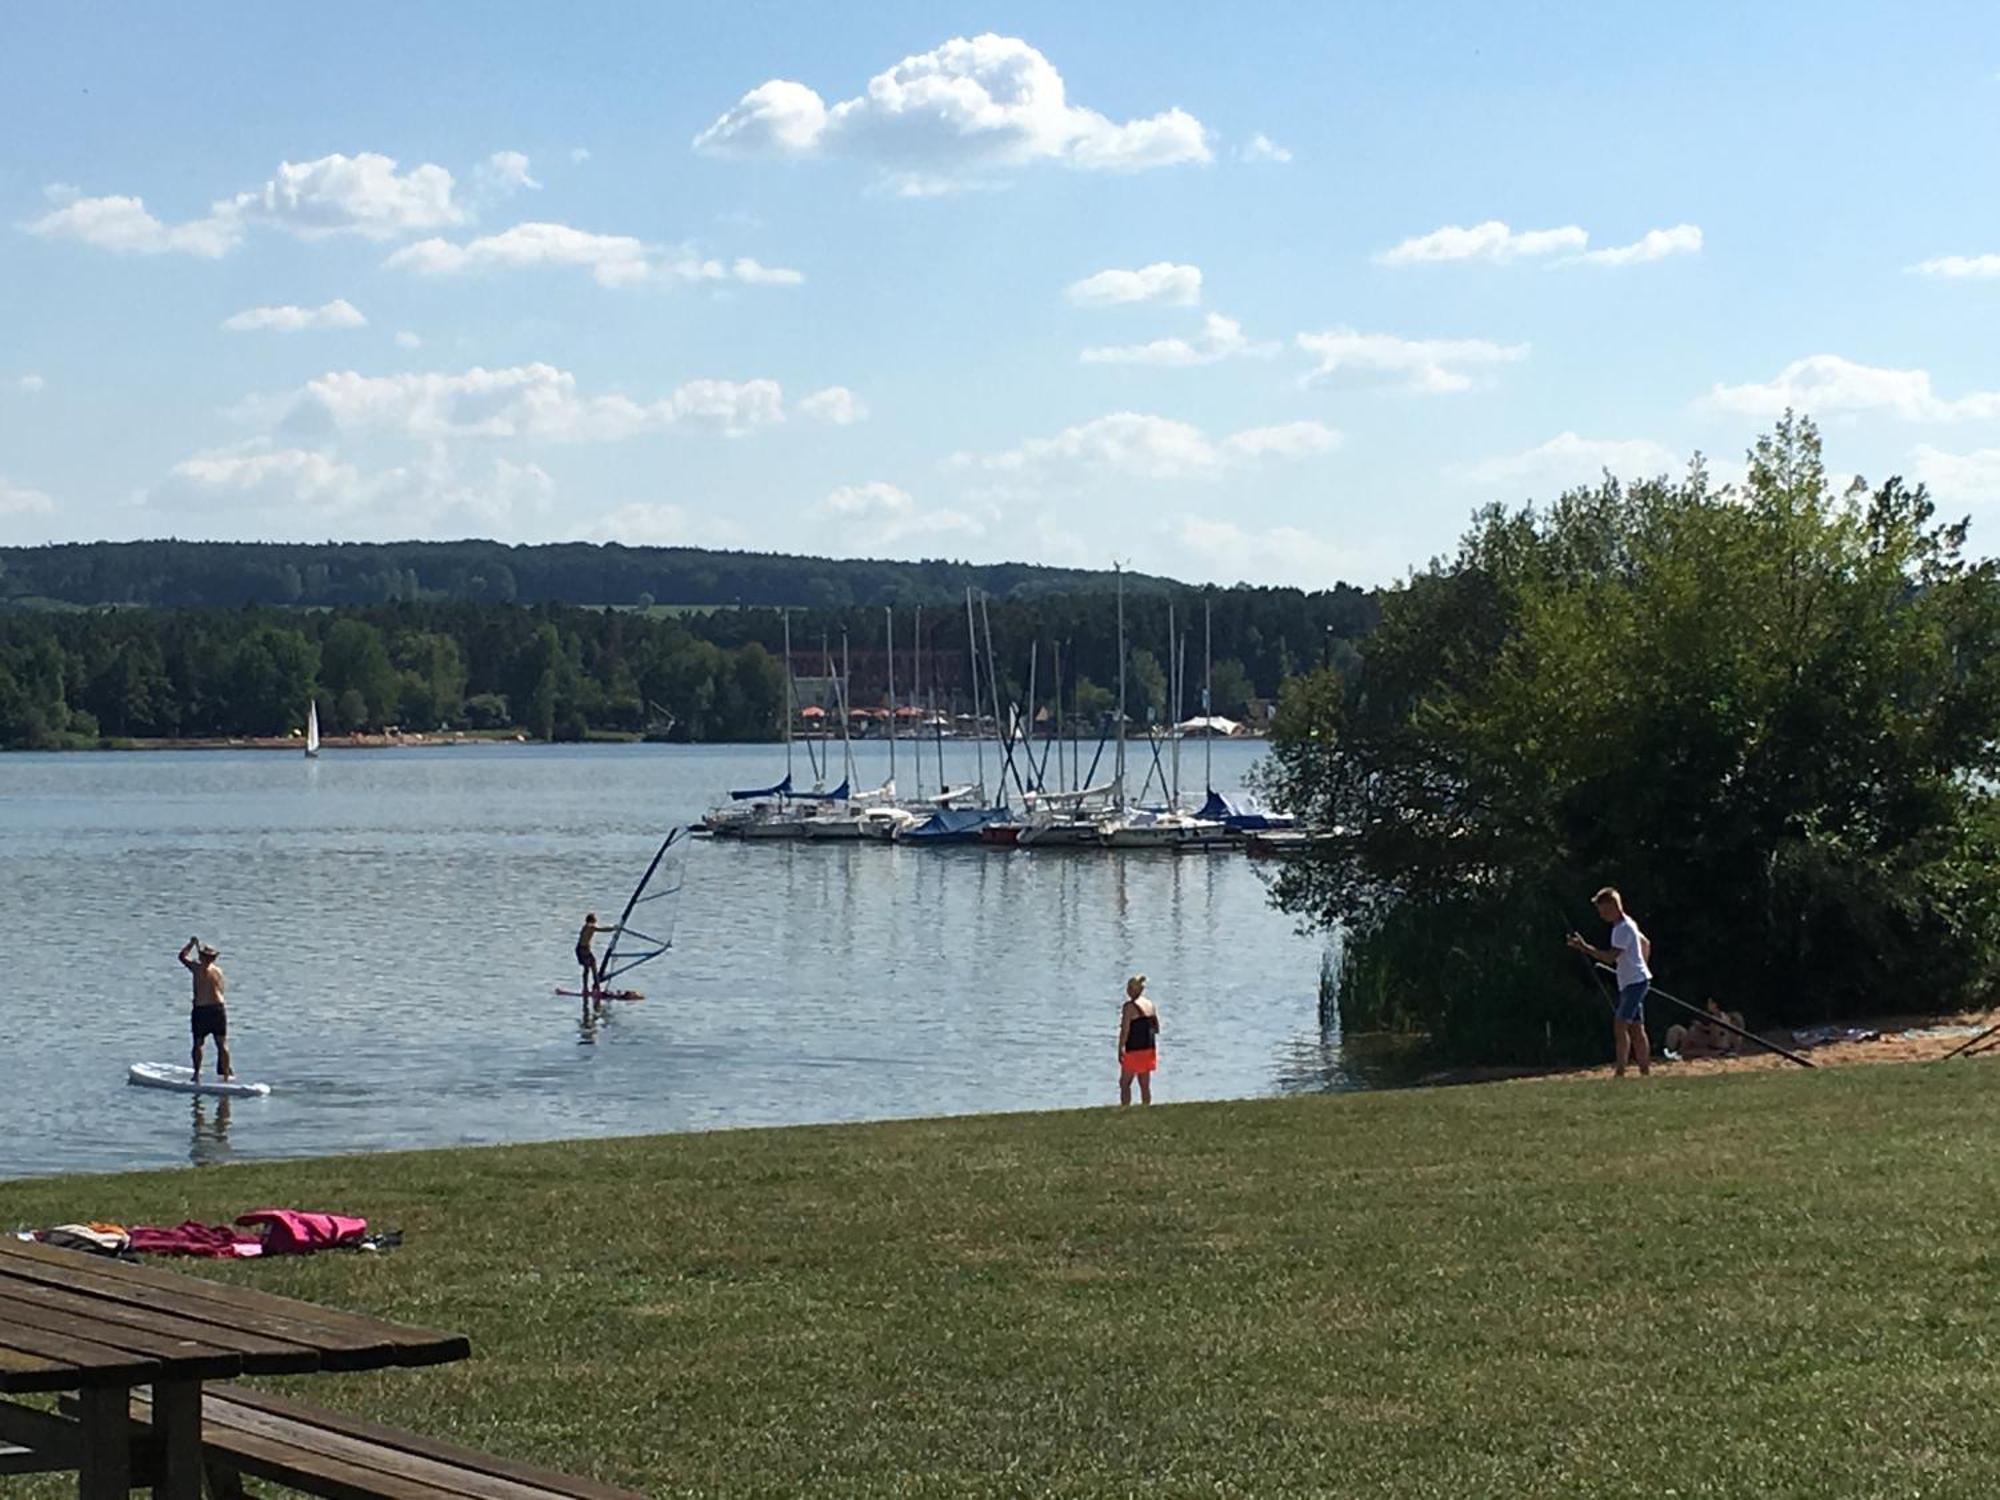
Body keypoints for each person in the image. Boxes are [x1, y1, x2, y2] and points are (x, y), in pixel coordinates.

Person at [1567, 887, 1653, 1078]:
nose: (1602, 915)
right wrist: (1641, 966)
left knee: (1620, 1024)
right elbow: (1645, 943)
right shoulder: (1629, 924)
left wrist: (1584, 948)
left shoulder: (1621, 929)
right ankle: (1644, 1072)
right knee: (1637, 1028)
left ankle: (1620, 1072)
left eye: (1603, 910)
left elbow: (1609, 958)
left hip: (1633, 983)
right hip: (1635, 980)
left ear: (1613, 906)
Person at [177, 937, 233, 1082]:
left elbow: (181, 957)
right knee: (221, 1043)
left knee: (198, 1043)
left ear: (203, 957)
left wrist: (190, 944)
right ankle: (226, 1074)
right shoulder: (219, 971)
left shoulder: (197, 967)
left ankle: (196, 1074)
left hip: (203, 1010)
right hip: (218, 1009)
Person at [1118, 974, 1160, 1106]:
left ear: (1132, 990)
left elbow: (1125, 1030)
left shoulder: (1129, 1007)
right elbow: (1156, 1028)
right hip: (1149, 1047)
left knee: (1124, 1083)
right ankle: (1146, 1106)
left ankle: (1125, 1107)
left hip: (1134, 1049)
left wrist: (1120, 1047)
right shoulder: (1150, 1004)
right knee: (1144, 1084)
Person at [1666, 998, 1743, 1060]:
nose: (1708, 1005)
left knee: (1688, 1050)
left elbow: (1716, 1037)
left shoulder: (1720, 1018)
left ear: (1714, 1005)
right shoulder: (1718, 1017)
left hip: (1716, 1049)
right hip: (1715, 1047)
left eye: (1709, 1003)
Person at [574, 912, 619, 1001]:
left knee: (587, 969)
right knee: (593, 966)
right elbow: (602, 929)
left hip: (581, 949)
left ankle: (587, 989)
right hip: (583, 950)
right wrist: (614, 928)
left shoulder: (586, 927)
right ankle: (596, 989)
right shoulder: (590, 927)